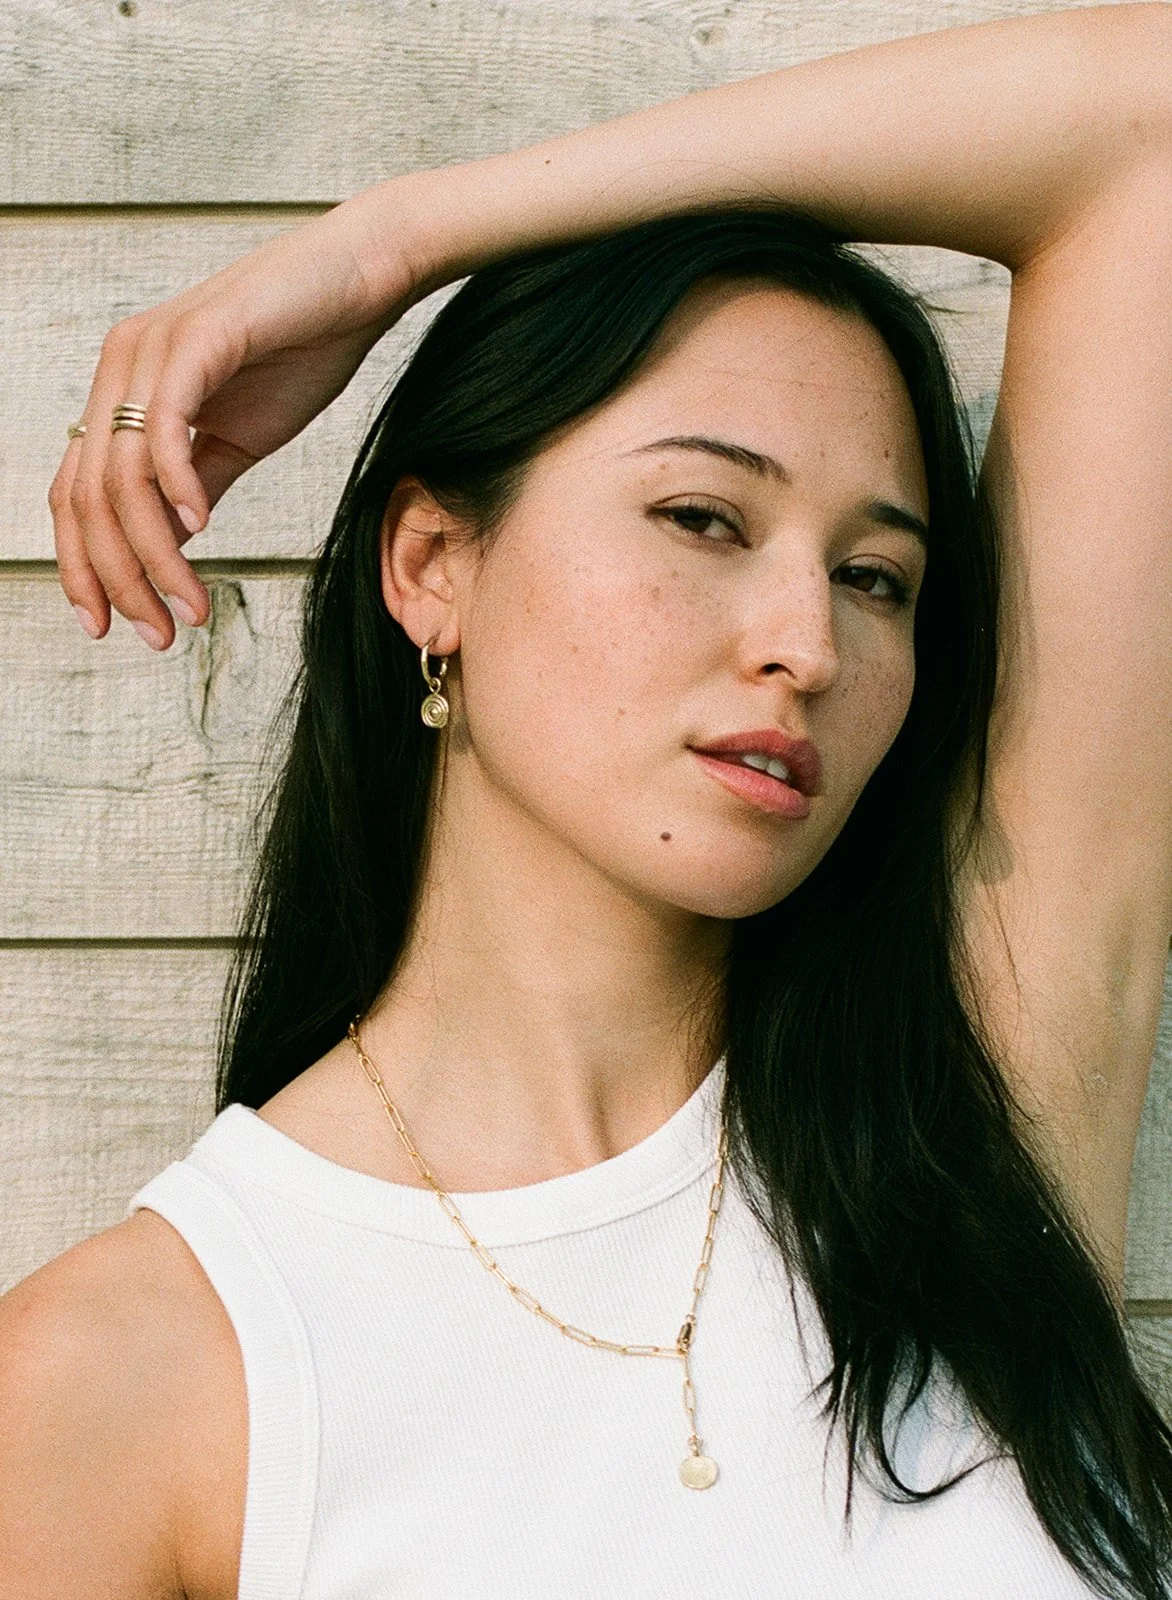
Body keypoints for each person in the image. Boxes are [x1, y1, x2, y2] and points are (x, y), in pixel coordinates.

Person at [4, 4, 1171, 1597]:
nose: (807, 642)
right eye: (702, 517)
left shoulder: (982, 1092)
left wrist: (396, 240)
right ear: (433, 566)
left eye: (877, 576)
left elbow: (1144, 119)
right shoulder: (127, 1378)